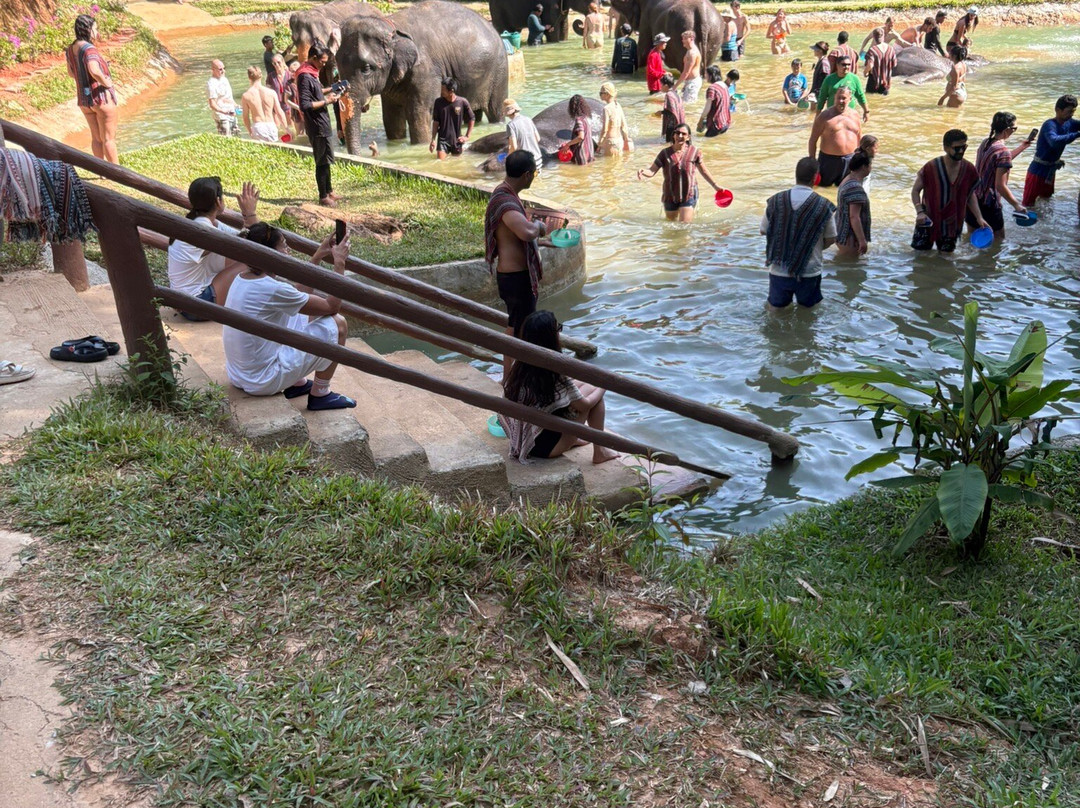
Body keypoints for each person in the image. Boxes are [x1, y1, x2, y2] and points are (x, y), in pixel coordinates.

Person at [222, 224, 355, 409]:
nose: (288, 250)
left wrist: (318, 256)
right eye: (284, 246)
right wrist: (340, 263)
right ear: (270, 253)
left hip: (240, 375)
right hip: (262, 380)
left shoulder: (243, 277)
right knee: (338, 323)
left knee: (299, 314)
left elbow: (297, 295)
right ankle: (321, 394)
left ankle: (296, 383)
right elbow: (331, 307)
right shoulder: (271, 288)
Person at [500, 310, 619, 465]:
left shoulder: (519, 366)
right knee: (596, 397)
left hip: (521, 438)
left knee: (583, 386)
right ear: (550, 338)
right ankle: (600, 452)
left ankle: (574, 440)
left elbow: (565, 392)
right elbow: (585, 405)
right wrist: (604, 385)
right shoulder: (554, 374)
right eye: (558, 329)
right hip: (544, 449)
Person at [484, 151, 547, 374]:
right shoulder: (505, 201)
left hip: (513, 278)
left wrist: (543, 242)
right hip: (516, 279)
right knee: (521, 333)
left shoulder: (506, 195)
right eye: (535, 173)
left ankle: (509, 377)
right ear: (528, 175)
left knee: (515, 328)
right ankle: (515, 382)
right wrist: (539, 226)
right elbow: (527, 232)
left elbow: (514, 236)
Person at [167, 177, 260, 320]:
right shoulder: (203, 229)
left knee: (246, 258)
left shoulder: (202, 223)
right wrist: (250, 213)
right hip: (196, 306)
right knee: (251, 261)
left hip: (187, 304)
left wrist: (248, 217)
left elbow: (243, 237)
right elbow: (253, 245)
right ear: (218, 201)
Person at [760, 156, 837, 311]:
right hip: (809, 271)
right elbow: (831, 238)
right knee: (808, 315)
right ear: (816, 177)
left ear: (796, 175)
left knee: (776, 313)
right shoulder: (824, 206)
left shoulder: (776, 201)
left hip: (779, 269)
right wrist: (809, 247)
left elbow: (763, 230)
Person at [911, 128, 988, 253]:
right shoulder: (931, 167)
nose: (961, 151)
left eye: (964, 147)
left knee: (946, 259)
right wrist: (919, 211)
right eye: (957, 148)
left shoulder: (969, 169)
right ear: (946, 148)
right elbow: (915, 191)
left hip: (952, 224)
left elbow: (970, 195)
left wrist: (979, 218)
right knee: (920, 257)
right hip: (927, 221)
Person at [636, 123, 721, 222]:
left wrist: (716, 186)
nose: (680, 136)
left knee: (684, 226)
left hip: (689, 193)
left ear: (688, 137)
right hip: (670, 195)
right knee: (671, 225)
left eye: (683, 134)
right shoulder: (664, 153)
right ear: (673, 135)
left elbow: (704, 171)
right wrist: (643, 171)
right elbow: (652, 171)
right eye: (677, 133)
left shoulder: (695, 152)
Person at [968, 111, 1032, 240]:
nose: (1014, 131)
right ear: (1007, 129)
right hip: (988, 203)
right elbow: (1000, 186)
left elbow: (1000, 161)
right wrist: (1016, 205)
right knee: (998, 241)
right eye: (1014, 129)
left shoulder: (985, 143)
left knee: (972, 239)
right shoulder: (1003, 152)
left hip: (972, 199)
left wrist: (1022, 147)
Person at [65, 14, 118, 164]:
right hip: (101, 98)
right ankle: (118, 173)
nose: (97, 32)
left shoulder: (70, 49)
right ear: (88, 29)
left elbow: (71, 73)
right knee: (108, 139)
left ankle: (101, 172)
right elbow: (94, 70)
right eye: (95, 28)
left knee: (96, 138)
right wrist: (107, 82)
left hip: (84, 100)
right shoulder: (90, 49)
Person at [296, 44, 342, 207]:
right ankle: (323, 196)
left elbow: (318, 92)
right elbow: (305, 105)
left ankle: (329, 191)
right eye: (322, 62)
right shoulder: (304, 76)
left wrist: (335, 88)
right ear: (313, 58)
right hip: (316, 125)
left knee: (327, 159)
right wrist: (327, 101)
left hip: (323, 122)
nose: (324, 65)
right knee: (321, 161)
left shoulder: (312, 73)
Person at [1022, 95, 1080, 207]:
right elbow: (1054, 141)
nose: (1071, 115)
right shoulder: (1049, 125)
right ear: (1058, 110)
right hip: (1037, 171)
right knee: (1027, 205)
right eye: (1068, 112)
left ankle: (1046, 224)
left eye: (1073, 111)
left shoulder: (1070, 122)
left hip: (1051, 170)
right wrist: (1077, 134)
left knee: (1047, 201)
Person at [809, 87, 862, 187]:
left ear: (850, 99)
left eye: (844, 98)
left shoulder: (855, 115)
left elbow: (859, 137)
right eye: (838, 98)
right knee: (823, 190)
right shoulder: (824, 116)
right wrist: (812, 163)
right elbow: (813, 140)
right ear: (834, 98)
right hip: (828, 161)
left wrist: (860, 159)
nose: (840, 101)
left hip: (850, 160)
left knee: (846, 190)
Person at [835, 151, 873, 257]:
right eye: (870, 165)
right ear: (863, 167)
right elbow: (854, 217)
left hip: (841, 232)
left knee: (842, 263)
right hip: (850, 238)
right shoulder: (855, 188)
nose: (871, 167)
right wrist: (862, 241)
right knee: (849, 267)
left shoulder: (847, 179)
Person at [430, 77, 475, 159]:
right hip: (443, 140)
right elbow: (436, 122)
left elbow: (471, 118)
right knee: (440, 163)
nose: (441, 92)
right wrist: (433, 139)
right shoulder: (438, 102)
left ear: (451, 91)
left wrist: (467, 136)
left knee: (457, 164)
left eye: (443, 90)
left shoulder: (462, 102)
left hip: (457, 140)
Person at [817, 53, 869, 121]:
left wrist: (866, 111)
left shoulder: (854, 79)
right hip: (832, 115)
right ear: (837, 65)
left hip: (849, 115)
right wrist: (818, 116)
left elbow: (860, 96)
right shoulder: (829, 79)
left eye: (848, 64)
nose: (846, 67)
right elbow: (822, 98)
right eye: (843, 65)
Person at [241, 66, 288, 142]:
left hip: (258, 126)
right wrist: (286, 128)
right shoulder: (271, 92)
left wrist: (250, 131)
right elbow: (279, 112)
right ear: (261, 76)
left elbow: (245, 117)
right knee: (274, 151)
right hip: (271, 125)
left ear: (249, 77)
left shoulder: (246, 95)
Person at [504, 99, 543, 172]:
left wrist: (508, 157)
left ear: (507, 113)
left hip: (525, 162)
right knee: (536, 180)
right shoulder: (528, 119)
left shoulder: (511, 125)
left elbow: (514, 147)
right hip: (537, 160)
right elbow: (538, 138)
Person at [598, 82, 633, 156]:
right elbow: (624, 125)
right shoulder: (618, 105)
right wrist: (626, 139)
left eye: (601, 93)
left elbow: (605, 129)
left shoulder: (606, 109)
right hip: (619, 141)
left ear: (607, 94)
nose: (600, 95)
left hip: (610, 142)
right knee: (619, 166)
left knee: (609, 166)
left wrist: (600, 144)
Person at [207, 59, 239, 137]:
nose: (223, 71)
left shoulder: (224, 79)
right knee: (226, 138)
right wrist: (223, 111)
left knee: (236, 136)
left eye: (224, 68)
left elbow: (227, 97)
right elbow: (212, 104)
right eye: (220, 69)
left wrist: (236, 105)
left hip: (231, 112)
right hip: (222, 116)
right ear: (213, 70)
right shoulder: (211, 84)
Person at [697, 65, 731, 136]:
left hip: (716, 124)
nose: (705, 76)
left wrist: (700, 121)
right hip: (726, 122)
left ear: (711, 76)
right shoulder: (724, 86)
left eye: (706, 74)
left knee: (706, 145)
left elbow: (707, 108)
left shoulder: (712, 88)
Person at [562, 94, 595, 164]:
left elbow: (581, 137)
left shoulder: (579, 120)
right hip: (589, 153)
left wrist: (568, 145)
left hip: (582, 155)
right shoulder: (586, 118)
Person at [863, 28, 897, 95]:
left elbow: (870, 65)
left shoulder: (872, 50)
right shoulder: (891, 49)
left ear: (874, 37)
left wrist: (865, 72)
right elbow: (894, 64)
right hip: (886, 82)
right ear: (883, 36)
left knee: (870, 101)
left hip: (873, 81)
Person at [673, 31, 703, 103]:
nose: (683, 41)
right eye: (683, 39)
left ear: (692, 39)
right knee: (685, 103)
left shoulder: (692, 53)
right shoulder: (689, 50)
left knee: (688, 104)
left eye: (685, 38)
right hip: (691, 81)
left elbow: (686, 72)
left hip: (693, 82)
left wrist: (675, 87)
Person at [657, 74, 685, 143]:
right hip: (679, 124)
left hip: (672, 126)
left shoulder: (668, 95)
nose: (660, 87)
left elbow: (671, 111)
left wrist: (661, 112)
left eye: (661, 85)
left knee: (670, 145)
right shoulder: (675, 93)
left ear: (666, 86)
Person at [808, 41, 830, 105]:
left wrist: (816, 93)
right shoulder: (821, 61)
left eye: (815, 49)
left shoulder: (824, 63)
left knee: (816, 112)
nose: (814, 50)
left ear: (820, 51)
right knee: (813, 112)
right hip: (816, 93)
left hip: (819, 94)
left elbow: (825, 80)